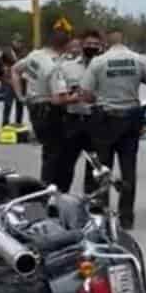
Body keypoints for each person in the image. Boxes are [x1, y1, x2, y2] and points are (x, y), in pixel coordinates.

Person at [78, 28, 146, 230]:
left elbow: (85, 93)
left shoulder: (98, 62)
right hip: (131, 120)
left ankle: (102, 216)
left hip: (105, 120)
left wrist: (101, 94)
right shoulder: (138, 59)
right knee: (128, 170)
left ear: (106, 42)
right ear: (123, 40)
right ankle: (127, 218)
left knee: (102, 170)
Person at [12, 26, 76, 183]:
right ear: (65, 46)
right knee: (56, 157)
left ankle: (47, 189)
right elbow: (57, 99)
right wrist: (76, 97)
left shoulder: (35, 55)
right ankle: (50, 192)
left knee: (48, 153)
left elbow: (15, 70)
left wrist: (20, 96)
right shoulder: (54, 67)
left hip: (34, 109)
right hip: (50, 112)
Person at [58, 30, 104, 194]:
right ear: (81, 44)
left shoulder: (105, 67)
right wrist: (74, 96)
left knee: (95, 166)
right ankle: (61, 200)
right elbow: (59, 93)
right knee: (65, 164)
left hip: (97, 120)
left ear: (101, 46)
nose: (92, 47)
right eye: (88, 43)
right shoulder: (66, 67)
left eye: (95, 44)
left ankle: (92, 203)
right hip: (73, 120)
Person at [0, 50, 23, 126]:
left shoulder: (17, 63)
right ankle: (6, 122)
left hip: (16, 86)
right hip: (11, 86)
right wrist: (10, 82)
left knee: (18, 104)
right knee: (8, 105)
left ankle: (17, 122)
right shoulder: (5, 66)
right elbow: (3, 77)